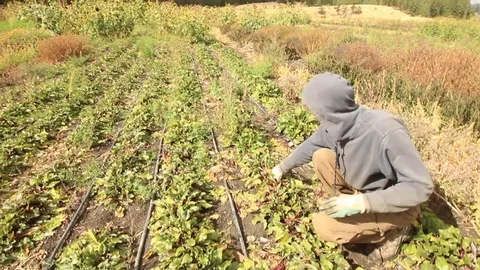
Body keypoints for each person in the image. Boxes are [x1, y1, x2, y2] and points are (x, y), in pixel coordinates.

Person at [271, 72, 434, 263]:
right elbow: (310, 146)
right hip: (363, 190)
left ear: (328, 109)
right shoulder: (335, 125)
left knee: (323, 225)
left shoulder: (385, 131)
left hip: (394, 205)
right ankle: (349, 209)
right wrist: (281, 168)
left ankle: (395, 232)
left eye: (316, 110)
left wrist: (360, 203)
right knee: (321, 156)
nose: (314, 114)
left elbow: (420, 186)